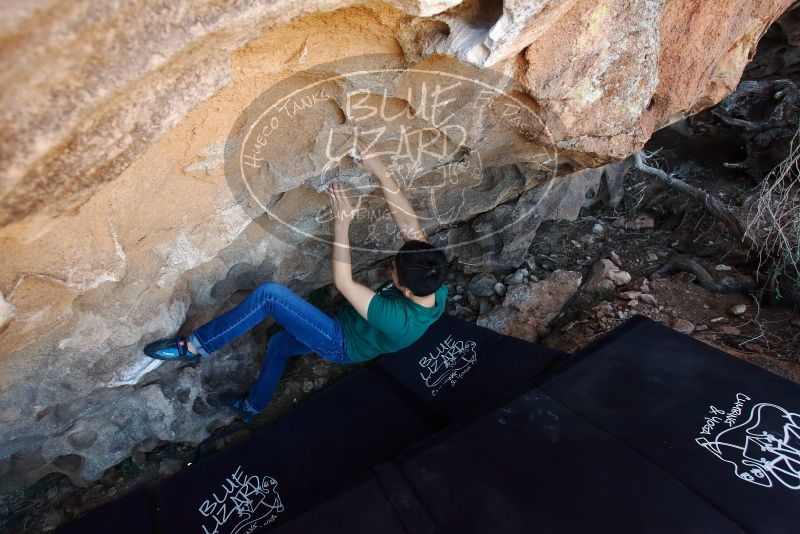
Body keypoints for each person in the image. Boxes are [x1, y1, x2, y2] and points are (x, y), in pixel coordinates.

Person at [143, 141, 449, 422]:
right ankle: (252, 408)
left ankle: (194, 348)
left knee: (269, 296)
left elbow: (343, 282)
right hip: (348, 322)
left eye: (393, 270)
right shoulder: (431, 279)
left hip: (340, 341)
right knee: (279, 344)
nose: (391, 265)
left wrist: (342, 222)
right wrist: (378, 167)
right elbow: (412, 229)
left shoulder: (399, 320)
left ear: (406, 291)